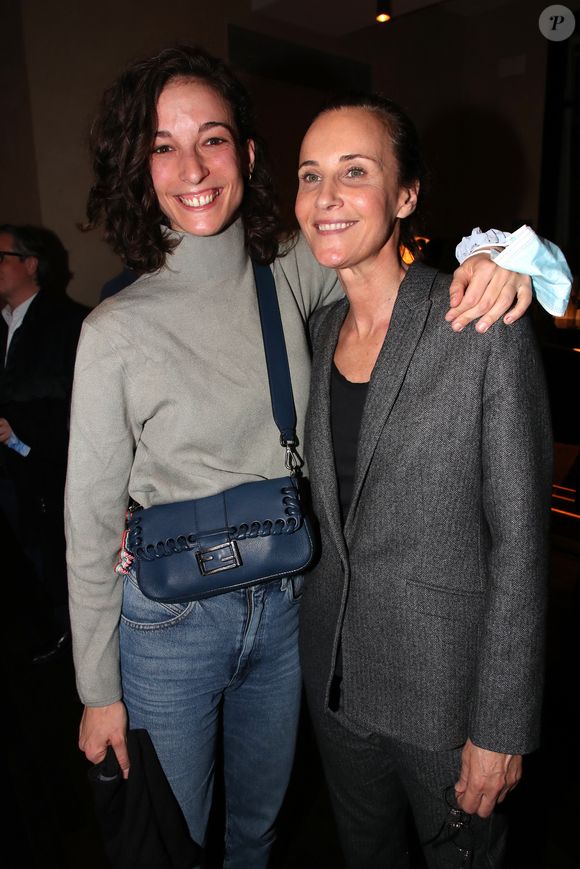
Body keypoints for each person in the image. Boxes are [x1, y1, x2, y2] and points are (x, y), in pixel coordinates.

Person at [65, 47, 552, 867]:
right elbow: (85, 521)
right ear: (138, 164)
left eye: (212, 139)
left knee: (257, 829)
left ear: (247, 157)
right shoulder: (113, 329)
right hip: (174, 619)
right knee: (173, 843)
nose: (191, 166)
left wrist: (512, 258)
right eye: (162, 145)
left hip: (288, 604)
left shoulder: (288, 277)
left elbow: (378, 244)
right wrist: (96, 688)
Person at [295, 94, 554, 868]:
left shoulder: (478, 324)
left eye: (355, 172)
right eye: (310, 176)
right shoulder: (314, 333)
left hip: (447, 702)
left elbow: (520, 543)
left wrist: (501, 726)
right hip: (335, 684)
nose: (327, 197)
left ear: (406, 196)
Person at [0, 224, 88, 661]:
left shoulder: (69, 323)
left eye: (2, 257)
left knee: (51, 560)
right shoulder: (3, 324)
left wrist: (17, 428)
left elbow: (75, 402)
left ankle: (63, 638)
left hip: (48, 472)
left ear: (30, 264)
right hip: (8, 473)